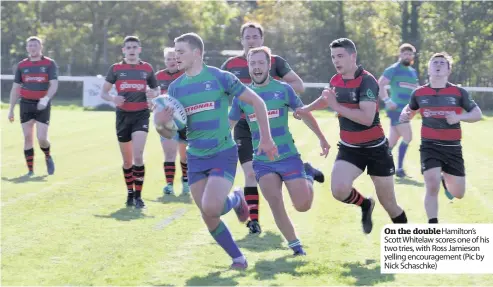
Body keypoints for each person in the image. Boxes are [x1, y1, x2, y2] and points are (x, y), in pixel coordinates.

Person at [153, 33, 278, 270]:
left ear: (196, 53)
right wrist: (161, 122)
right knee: (209, 214)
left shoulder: (221, 77)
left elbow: (258, 103)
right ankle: (238, 258)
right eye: (175, 52)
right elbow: (173, 131)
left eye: (181, 51)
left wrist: (267, 138)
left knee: (211, 206)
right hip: (195, 156)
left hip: (222, 152)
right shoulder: (176, 88)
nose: (175, 56)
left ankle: (237, 198)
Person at [296, 38, 408, 234]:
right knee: (339, 190)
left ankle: (407, 244)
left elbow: (367, 118)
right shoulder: (335, 80)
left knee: (389, 204)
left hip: (376, 150)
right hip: (350, 148)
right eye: (333, 57)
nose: (336, 61)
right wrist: (306, 109)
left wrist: (336, 106)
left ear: (352, 56)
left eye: (340, 56)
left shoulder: (367, 81)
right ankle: (365, 204)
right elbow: (326, 99)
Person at [230, 46, 329, 255]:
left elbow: (304, 114)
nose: (257, 67)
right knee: (275, 202)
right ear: (248, 66)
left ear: (269, 66)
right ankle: (296, 246)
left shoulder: (284, 89)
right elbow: (228, 125)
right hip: (262, 160)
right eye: (253, 63)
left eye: (261, 63)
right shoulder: (242, 97)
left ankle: (308, 174)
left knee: (303, 205)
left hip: (288, 157)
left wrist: (322, 138)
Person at [221, 21, 306, 234]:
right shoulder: (230, 65)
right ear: (241, 40)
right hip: (242, 124)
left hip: (270, 124)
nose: (251, 40)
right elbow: (215, 89)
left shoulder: (275, 62)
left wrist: (271, 89)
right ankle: (254, 221)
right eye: (247, 37)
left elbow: (299, 86)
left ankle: (307, 175)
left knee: (274, 175)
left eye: (255, 37)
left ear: (262, 39)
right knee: (250, 173)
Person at [399, 52, 482, 224]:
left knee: (458, 193)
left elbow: (477, 114)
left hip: (452, 148)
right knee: (431, 183)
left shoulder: (459, 92)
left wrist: (459, 117)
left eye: (442, 63)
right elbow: (409, 110)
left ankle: (446, 180)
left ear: (448, 70)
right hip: (430, 146)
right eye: (434, 62)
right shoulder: (419, 93)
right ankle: (433, 225)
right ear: (429, 68)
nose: (438, 65)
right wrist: (405, 116)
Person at [100, 36, 160, 209]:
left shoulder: (147, 68)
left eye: (135, 47)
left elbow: (156, 89)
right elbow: (103, 93)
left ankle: (139, 197)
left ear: (139, 49)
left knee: (138, 156)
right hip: (122, 117)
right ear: (123, 50)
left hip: (141, 115)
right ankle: (130, 194)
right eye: (128, 47)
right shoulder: (116, 69)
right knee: (127, 161)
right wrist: (113, 98)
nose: (132, 50)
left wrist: (153, 94)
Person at [8, 36, 58, 176]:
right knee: (28, 138)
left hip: (42, 104)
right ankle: (30, 171)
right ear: (26, 48)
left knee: (42, 138)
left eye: (35, 45)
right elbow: (16, 88)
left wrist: (46, 98)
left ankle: (47, 156)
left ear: (40, 47)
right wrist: (11, 109)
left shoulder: (49, 63)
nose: (32, 48)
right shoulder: (22, 65)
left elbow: (54, 84)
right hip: (25, 104)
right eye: (30, 46)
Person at [378, 43, 419, 178]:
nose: (407, 56)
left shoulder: (412, 72)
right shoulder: (393, 69)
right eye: (405, 53)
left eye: (410, 54)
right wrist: (387, 101)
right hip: (396, 110)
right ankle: (399, 168)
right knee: (408, 136)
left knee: (392, 141)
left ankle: (379, 163)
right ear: (400, 55)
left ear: (413, 56)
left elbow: (415, 90)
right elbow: (380, 84)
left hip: (407, 110)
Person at [155, 47, 188, 195]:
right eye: (168, 59)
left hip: (185, 120)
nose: (171, 61)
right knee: (169, 153)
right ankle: (169, 184)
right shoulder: (157, 77)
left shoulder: (187, 75)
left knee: (185, 155)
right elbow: (153, 100)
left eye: (174, 58)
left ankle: (186, 181)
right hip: (165, 121)